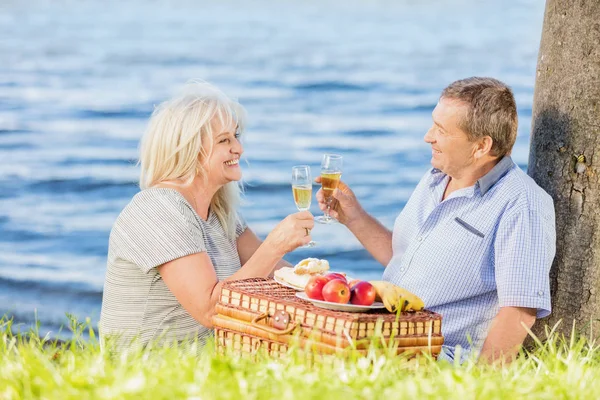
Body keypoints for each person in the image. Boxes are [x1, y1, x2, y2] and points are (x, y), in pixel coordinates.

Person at [317, 77, 556, 363]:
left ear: (481, 146)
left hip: (439, 354)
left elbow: (519, 312)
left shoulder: (521, 202)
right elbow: (405, 262)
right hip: (386, 333)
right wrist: (353, 217)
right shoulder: (436, 179)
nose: (428, 136)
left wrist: (482, 386)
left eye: (441, 130)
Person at [99, 81, 314, 352]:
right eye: (225, 140)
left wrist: (333, 285)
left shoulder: (221, 214)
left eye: (236, 137)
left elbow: (278, 275)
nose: (239, 148)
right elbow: (211, 309)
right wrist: (276, 244)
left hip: (206, 368)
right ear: (189, 149)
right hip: (149, 374)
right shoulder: (158, 208)